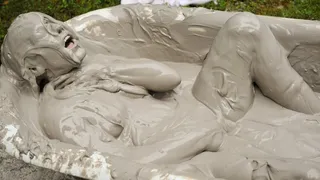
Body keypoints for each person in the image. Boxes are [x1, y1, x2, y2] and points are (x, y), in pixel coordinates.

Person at [1, 4, 320, 180]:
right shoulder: (65, 115)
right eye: (42, 34)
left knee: (244, 28)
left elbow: (166, 78)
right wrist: (197, 136)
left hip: (207, 106)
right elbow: (124, 165)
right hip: (195, 152)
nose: (56, 27)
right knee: (296, 170)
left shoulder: (94, 65)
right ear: (33, 69)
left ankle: (315, 111)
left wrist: (105, 69)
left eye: (50, 21)